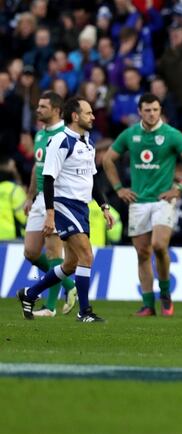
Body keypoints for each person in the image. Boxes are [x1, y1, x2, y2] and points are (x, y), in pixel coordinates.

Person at [17, 96, 114, 322]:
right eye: (88, 113)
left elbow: (93, 178)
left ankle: (30, 294)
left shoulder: (87, 142)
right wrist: (50, 213)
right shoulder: (60, 141)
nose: (92, 117)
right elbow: (48, 178)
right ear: (74, 116)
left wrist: (104, 206)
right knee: (86, 255)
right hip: (64, 205)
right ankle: (85, 312)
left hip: (82, 206)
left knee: (70, 264)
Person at [103, 93, 182, 317]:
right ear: (139, 112)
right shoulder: (131, 134)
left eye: (155, 109)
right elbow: (107, 159)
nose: (152, 114)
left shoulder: (171, 135)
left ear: (160, 109)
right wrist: (119, 189)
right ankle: (148, 304)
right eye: (147, 110)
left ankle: (165, 293)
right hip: (138, 202)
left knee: (158, 246)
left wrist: (180, 188)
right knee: (142, 253)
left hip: (163, 201)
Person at [21, 91, 78, 316]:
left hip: (56, 198)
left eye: (43, 107)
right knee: (31, 252)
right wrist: (30, 195)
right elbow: (38, 166)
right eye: (38, 106)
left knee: (54, 250)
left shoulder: (65, 134)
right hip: (39, 198)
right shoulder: (40, 134)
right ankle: (68, 285)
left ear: (56, 110)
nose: (38, 110)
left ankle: (49, 307)